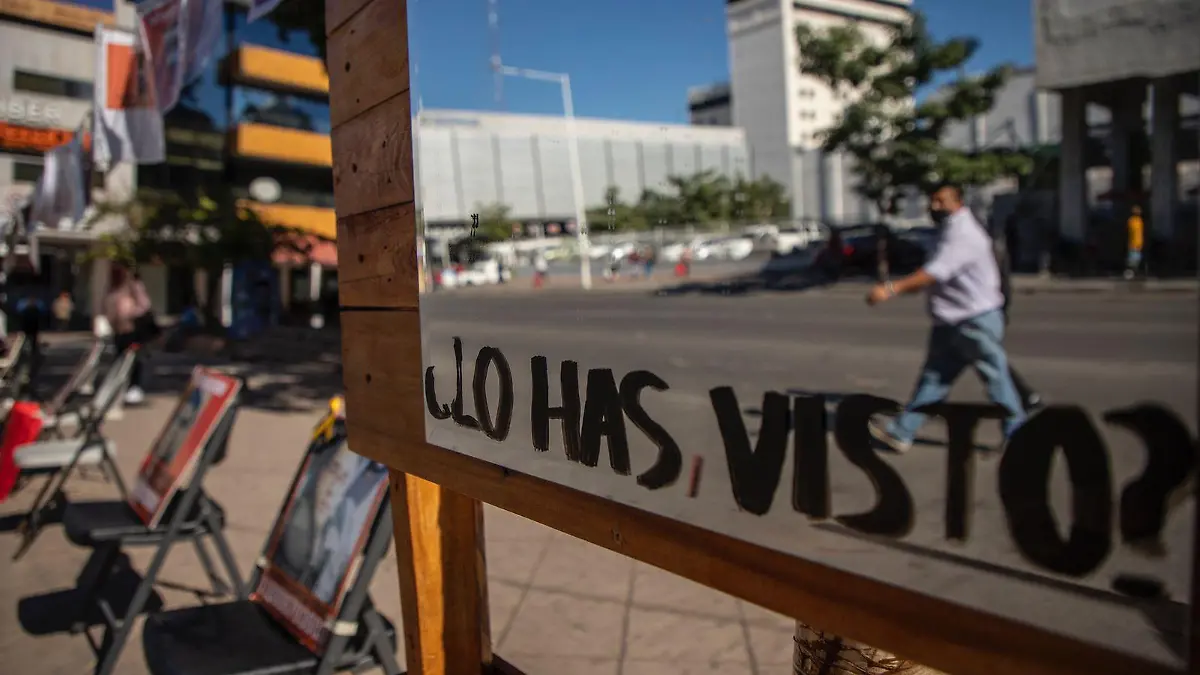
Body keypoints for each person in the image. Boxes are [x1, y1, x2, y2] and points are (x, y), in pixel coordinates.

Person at [865, 183, 1026, 453]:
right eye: (933, 201)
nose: (935, 207)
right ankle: (903, 431)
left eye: (942, 201)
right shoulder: (951, 230)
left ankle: (1019, 435)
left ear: (958, 202)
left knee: (995, 377)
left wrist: (890, 289)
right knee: (934, 379)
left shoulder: (964, 233)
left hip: (973, 319)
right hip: (952, 321)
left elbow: (934, 273)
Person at [272, 433, 388, 605]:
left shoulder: (339, 541)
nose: (332, 489)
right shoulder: (294, 526)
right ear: (321, 471)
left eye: (342, 480)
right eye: (333, 471)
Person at [991, 217, 1044, 414]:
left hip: (980, 314)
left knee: (990, 361)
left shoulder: (988, 252)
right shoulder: (997, 250)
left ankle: (1020, 403)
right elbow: (1006, 287)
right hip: (989, 312)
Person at [104, 266, 152, 405]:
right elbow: (108, 306)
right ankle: (120, 388)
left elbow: (145, 305)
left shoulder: (133, 286)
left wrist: (131, 314)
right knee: (119, 360)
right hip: (118, 331)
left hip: (132, 330)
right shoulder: (112, 289)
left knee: (134, 361)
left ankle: (134, 387)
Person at [1125, 205, 1144, 280]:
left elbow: (1139, 233)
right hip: (1133, 244)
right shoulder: (1132, 221)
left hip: (1138, 243)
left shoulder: (1139, 220)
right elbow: (1132, 233)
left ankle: (1134, 272)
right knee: (1132, 260)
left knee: (1136, 259)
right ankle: (1130, 273)